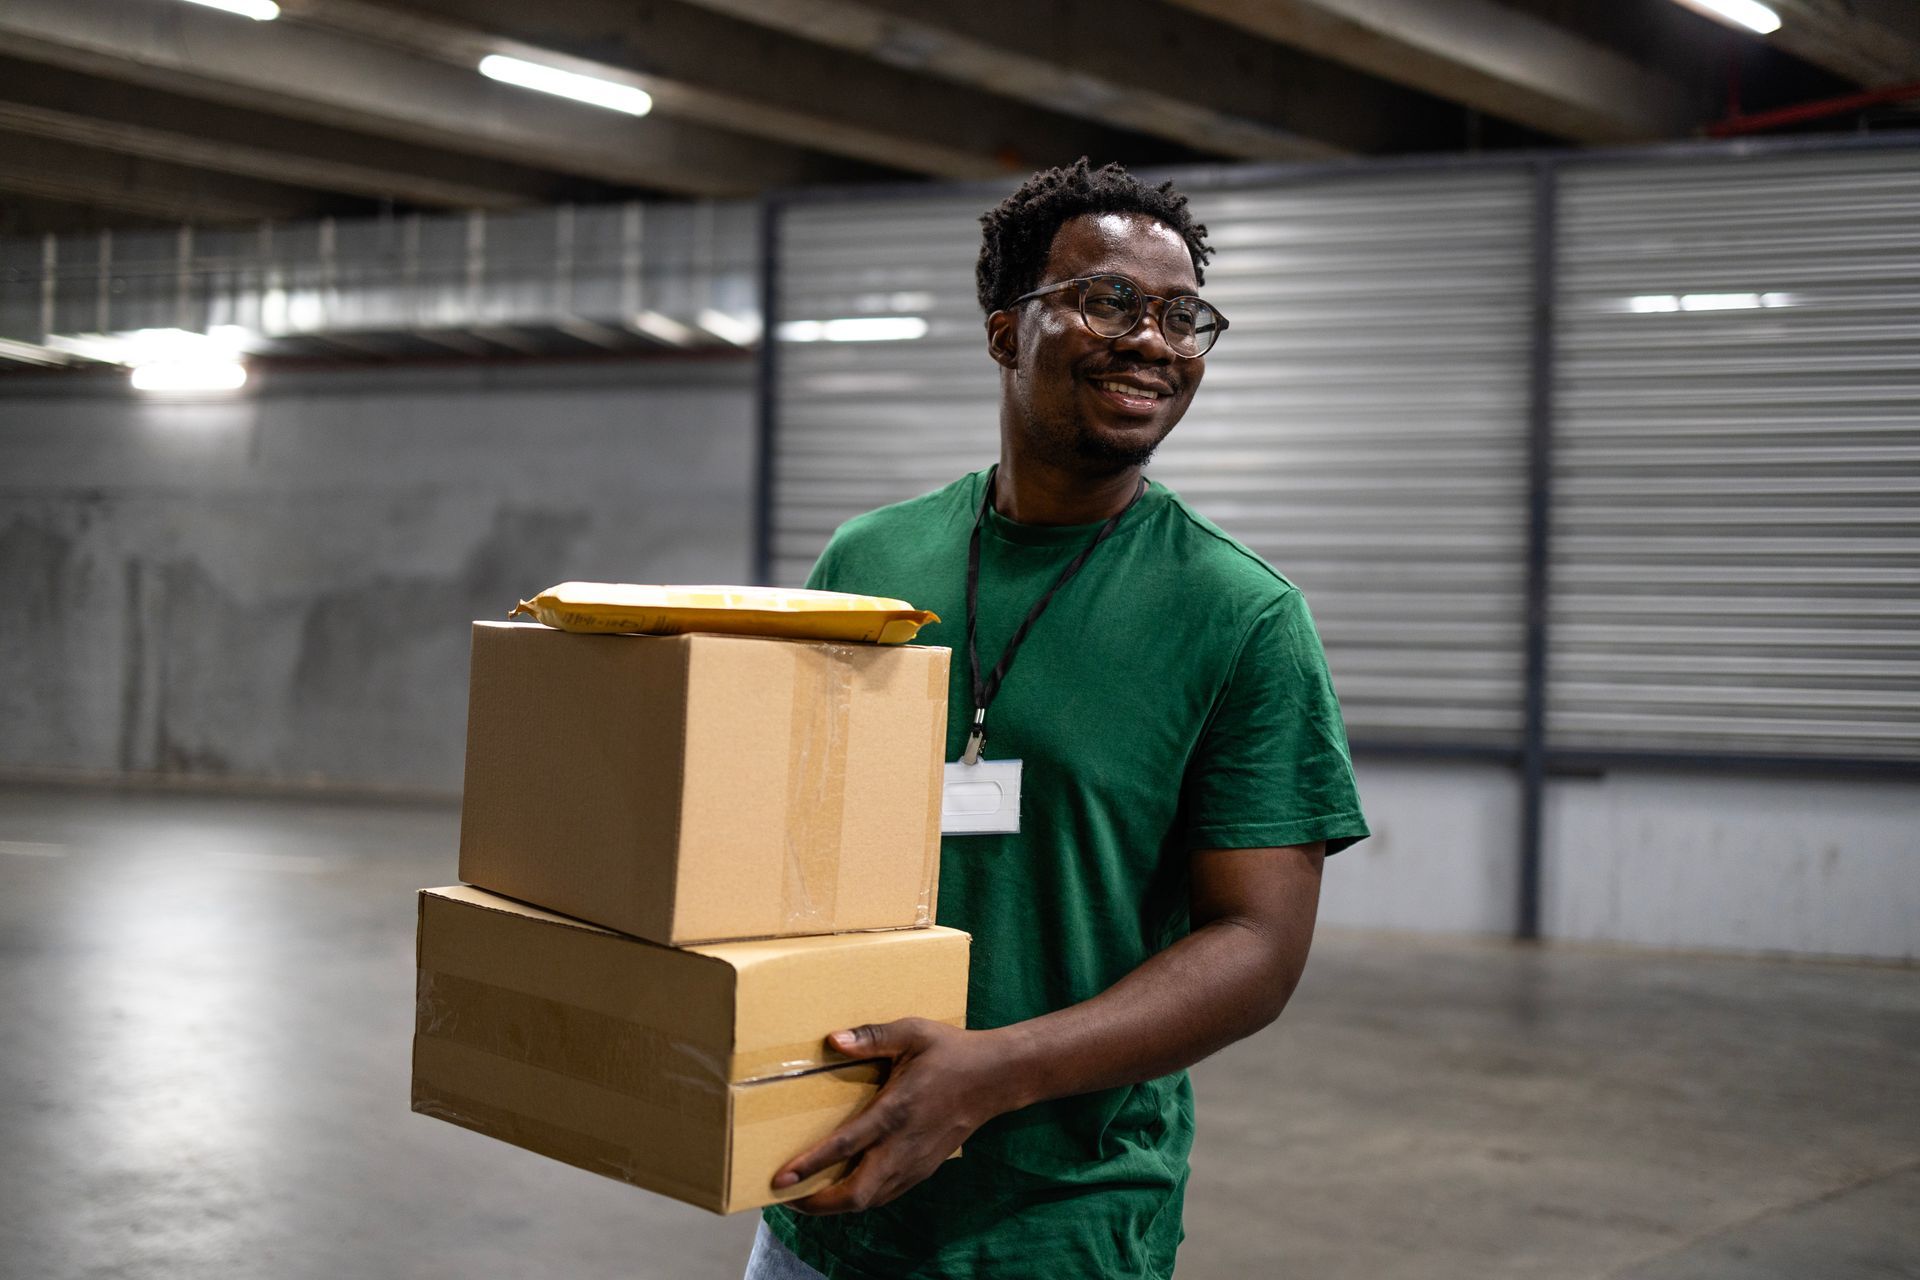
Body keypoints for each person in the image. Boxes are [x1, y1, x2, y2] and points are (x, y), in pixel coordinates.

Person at [747, 158, 1369, 1279]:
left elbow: (1258, 945)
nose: (1154, 341)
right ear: (1003, 333)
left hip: (1062, 1225)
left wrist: (996, 1069)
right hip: (827, 1192)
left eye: (1184, 316)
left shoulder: (1240, 614)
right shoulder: (869, 562)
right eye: (1108, 300)